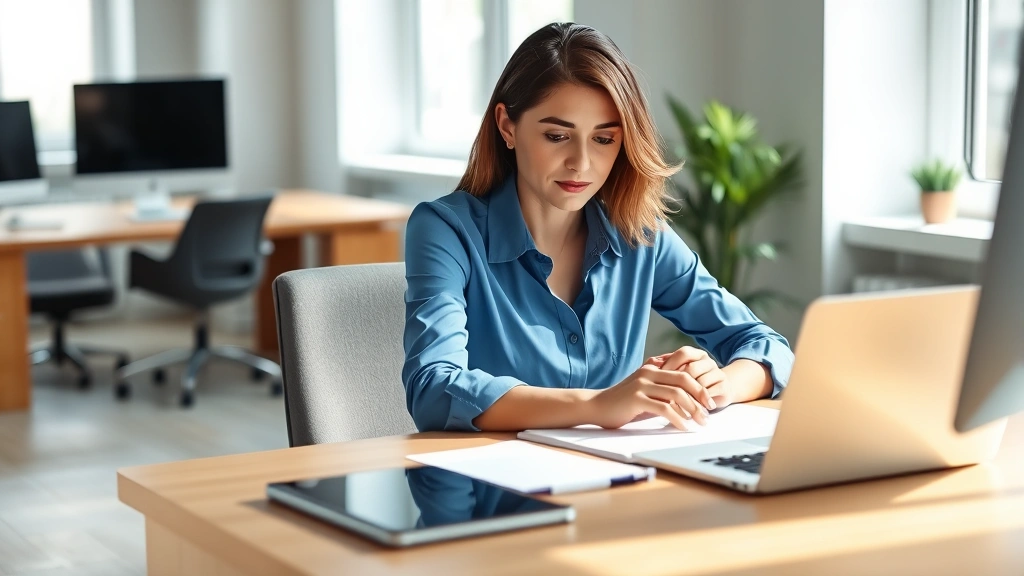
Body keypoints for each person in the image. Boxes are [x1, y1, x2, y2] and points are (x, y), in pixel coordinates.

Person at [402, 22, 794, 433]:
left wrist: (713, 385)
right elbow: (433, 389)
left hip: (618, 483)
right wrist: (600, 405)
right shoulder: (445, 230)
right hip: (492, 489)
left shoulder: (640, 235)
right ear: (507, 126)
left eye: (604, 140)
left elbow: (768, 348)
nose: (582, 163)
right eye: (557, 135)